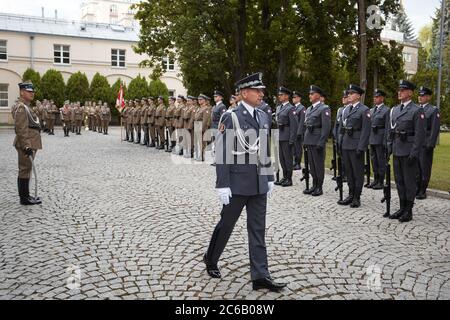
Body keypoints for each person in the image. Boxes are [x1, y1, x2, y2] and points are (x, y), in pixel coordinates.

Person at [204, 72, 286, 292]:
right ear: (243, 93)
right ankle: (211, 258)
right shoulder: (231, 117)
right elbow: (222, 152)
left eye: (262, 90)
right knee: (226, 225)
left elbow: (265, 148)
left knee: (257, 229)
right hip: (237, 183)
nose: (261, 94)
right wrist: (222, 184)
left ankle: (260, 275)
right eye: (257, 90)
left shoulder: (263, 116)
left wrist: (269, 177)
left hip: (259, 183)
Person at [387, 80, 425, 222]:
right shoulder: (396, 110)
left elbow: (419, 135)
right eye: (399, 90)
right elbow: (391, 131)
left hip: (409, 151)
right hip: (397, 150)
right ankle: (402, 207)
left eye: (403, 90)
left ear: (410, 92)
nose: (399, 92)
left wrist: (414, 153)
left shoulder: (417, 110)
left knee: (409, 182)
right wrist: (389, 147)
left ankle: (408, 211)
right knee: (399, 181)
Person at [338, 84, 371, 208]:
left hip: (356, 145)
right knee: (349, 172)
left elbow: (366, 131)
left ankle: (357, 197)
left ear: (358, 95)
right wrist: (340, 143)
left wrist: (361, 147)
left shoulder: (364, 110)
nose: (349, 95)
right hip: (346, 144)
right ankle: (350, 194)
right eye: (349, 93)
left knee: (357, 172)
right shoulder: (346, 110)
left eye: (351, 93)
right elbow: (342, 128)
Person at [12, 82, 42, 205]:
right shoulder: (21, 108)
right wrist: (26, 146)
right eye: (29, 91)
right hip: (27, 142)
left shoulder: (26, 107)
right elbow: (21, 129)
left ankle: (26, 195)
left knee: (27, 169)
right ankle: (24, 198)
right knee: (24, 169)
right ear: (22, 92)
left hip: (31, 141)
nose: (32, 93)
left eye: (33, 91)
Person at [303, 85, 331, 196]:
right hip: (309, 140)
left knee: (318, 165)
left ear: (318, 95)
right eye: (309, 94)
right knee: (312, 165)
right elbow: (306, 125)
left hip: (317, 140)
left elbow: (326, 127)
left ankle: (319, 186)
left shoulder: (324, 108)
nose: (310, 95)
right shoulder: (309, 109)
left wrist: (321, 142)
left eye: (312, 94)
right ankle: (314, 185)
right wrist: (305, 141)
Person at [416, 86, 440, 200]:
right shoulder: (416, 109)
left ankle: (422, 190)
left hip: (425, 144)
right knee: (415, 167)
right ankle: (416, 188)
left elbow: (435, 129)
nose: (420, 97)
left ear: (428, 97)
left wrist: (430, 144)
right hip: (415, 144)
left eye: (423, 95)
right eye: (419, 95)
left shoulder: (433, 110)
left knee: (424, 167)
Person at [273, 87, 298, 187]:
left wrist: (292, 139)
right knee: (282, 158)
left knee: (288, 159)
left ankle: (289, 178)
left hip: (287, 136)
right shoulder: (279, 108)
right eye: (279, 95)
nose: (279, 96)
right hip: (280, 135)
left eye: (281, 95)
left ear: (287, 96)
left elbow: (294, 125)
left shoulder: (291, 108)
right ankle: (284, 176)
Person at [368, 89, 390, 190]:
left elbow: (387, 128)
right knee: (374, 160)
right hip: (372, 139)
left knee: (381, 161)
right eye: (374, 97)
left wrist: (385, 141)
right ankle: (376, 179)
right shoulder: (372, 110)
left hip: (380, 139)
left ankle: (381, 181)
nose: (375, 99)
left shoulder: (386, 110)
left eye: (377, 97)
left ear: (382, 98)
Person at [292, 91, 306, 171]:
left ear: (299, 98)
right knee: (293, 148)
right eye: (293, 97)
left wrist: (299, 132)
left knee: (298, 148)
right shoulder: (293, 108)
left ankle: (298, 163)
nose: (293, 99)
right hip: (293, 132)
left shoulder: (302, 108)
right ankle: (294, 162)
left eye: (295, 97)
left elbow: (302, 122)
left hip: (298, 131)